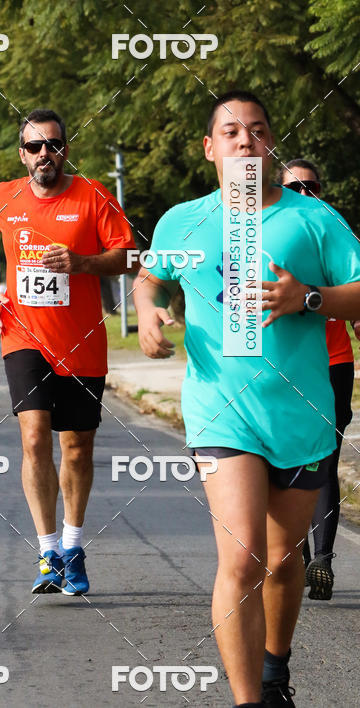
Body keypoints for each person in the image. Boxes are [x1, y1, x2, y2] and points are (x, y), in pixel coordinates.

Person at [133, 91, 360, 708]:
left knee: (284, 562)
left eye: (257, 131)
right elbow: (151, 274)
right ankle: (246, 702)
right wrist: (147, 311)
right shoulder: (183, 221)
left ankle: (275, 673)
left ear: (270, 145)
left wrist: (307, 297)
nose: (244, 141)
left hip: (302, 416)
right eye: (230, 132)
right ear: (210, 148)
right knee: (242, 559)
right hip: (219, 411)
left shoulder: (314, 220)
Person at [0, 108, 134, 596]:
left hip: (80, 342)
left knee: (77, 446)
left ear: (65, 149)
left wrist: (82, 262)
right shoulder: (4, 196)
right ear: (23, 154)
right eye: (36, 146)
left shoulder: (93, 195)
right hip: (23, 336)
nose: (46, 154)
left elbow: (128, 255)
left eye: (54, 145)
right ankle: (46, 551)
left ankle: (73, 545)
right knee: (36, 437)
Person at [278, 158, 360, 600]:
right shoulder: (269, 237)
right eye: (295, 187)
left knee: (324, 458)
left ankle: (322, 560)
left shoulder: (336, 236)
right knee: (289, 462)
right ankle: (302, 555)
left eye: (312, 186)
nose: (305, 194)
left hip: (333, 362)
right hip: (284, 367)